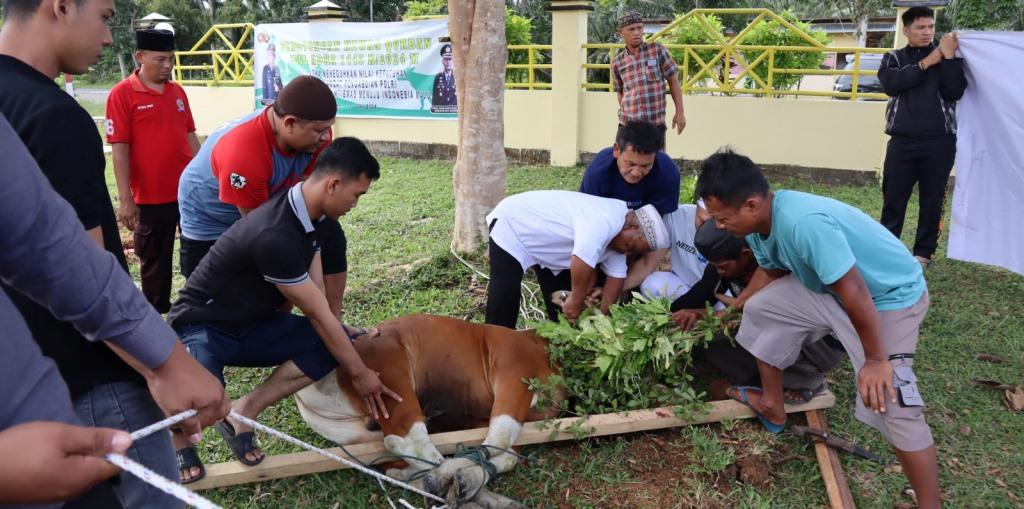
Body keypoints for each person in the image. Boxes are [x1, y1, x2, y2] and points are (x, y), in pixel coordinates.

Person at [0, 1, 228, 507]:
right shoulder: (54, 116)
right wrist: (160, 363)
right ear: (60, 7)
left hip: (28, 393)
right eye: (104, 16)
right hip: (95, 375)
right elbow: (73, 264)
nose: (108, 38)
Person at [696, 149, 941, 508]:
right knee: (765, 309)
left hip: (887, 296)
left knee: (892, 397)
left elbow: (856, 292)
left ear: (750, 205)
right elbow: (771, 269)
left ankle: (929, 504)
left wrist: (876, 360)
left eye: (721, 218)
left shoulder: (802, 223)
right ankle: (773, 404)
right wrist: (743, 303)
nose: (719, 226)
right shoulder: (760, 225)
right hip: (834, 291)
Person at [167, 137, 400, 483]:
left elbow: (319, 303)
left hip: (252, 326)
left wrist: (343, 331)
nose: (356, 204)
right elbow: (318, 315)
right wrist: (361, 374)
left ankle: (244, 413)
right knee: (203, 404)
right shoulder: (275, 233)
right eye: (357, 195)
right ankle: (179, 443)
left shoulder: (312, 218)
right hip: (201, 327)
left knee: (331, 342)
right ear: (333, 185)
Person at [178, 75, 350, 318]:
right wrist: (310, 295)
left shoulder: (318, 135)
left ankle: (333, 324)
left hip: (266, 201)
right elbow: (261, 235)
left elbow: (307, 202)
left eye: (327, 128)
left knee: (330, 234)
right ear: (289, 123)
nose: (326, 137)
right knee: (217, 310)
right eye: (319, 131)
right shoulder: (244, 153)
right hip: (211, 220)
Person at [672, 220, 846, 403]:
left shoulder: (778, 266)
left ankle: (806, 380)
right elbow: (700, 295)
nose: (718, 271)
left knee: (761, 338)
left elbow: (772, 318)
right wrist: (676, 315)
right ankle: (766, 379)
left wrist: (716, 315)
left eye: (722, 266)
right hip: (770, 333)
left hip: (820, 344)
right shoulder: (723, 268)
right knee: (713, 347)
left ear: (745, 255)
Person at [107, 27, 201, 313]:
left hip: (187, 192)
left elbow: (190, 136)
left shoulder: (177, 91)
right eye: (160, 59)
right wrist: (126, 198)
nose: (168, 65)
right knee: (154, 260)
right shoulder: (122, 94)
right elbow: (119, 148)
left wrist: (204, 176)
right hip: (150, 197)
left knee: (196, 253)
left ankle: (196, 307)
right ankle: (156, 311)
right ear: (140, 56)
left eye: (170, 58)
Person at [484, 191, 670, 329]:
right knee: (505, 301)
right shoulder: (603, 219)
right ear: (630, 225)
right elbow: (582, 259)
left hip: (548, 248)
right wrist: (576, 300)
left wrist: (601, 319)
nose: (627, 253)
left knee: (562, 312)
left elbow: (616, 279)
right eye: (630, 246)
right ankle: (491, 350)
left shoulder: (620, 241)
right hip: (514, 226)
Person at [878, 6, 967, 267]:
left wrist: (949, 59)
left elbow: (955, 92)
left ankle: (923, 254)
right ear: (906, 30)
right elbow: (892, 84)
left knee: (932, 199)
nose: (927, 32)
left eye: (930, 27)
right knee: (893, 199)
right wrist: (927, 63)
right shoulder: (893, 58)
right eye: (920, 27)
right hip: (902, 142)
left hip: (939, 142)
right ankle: (886, 250)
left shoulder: (947, 57)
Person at [612, 10, 686, 146]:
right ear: (621, 32)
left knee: (655, 164)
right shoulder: (618, 62)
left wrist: (679, 112)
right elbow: (620, 91)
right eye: (631, 29)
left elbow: (673, 81)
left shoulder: (657, 50)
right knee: (624, 164)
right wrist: (628, 113)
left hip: (654, 124)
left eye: (639, 28)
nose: (636, 32)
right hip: (628, 125)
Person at [632, 204, 707, 301]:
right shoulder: (678, 215)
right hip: (684, 283)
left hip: (717, 291)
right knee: (651, 285)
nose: (705, 226)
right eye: (701, 219)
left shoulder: (729, 228)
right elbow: (648, 263)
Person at [430, 43, 457, 114]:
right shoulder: (438, 77)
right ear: (442, 61)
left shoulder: (458, 77)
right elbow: (435, 99)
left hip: (454, 113)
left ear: (453, 60)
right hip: (440, 113)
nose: (448, 62)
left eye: (450, 59)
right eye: (446, 59)